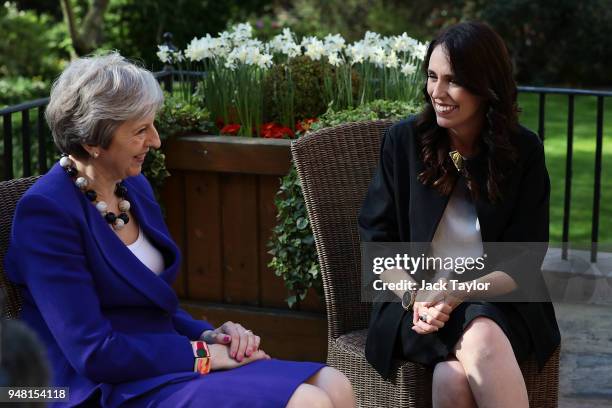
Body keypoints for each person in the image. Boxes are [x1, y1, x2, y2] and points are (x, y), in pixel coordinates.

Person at [5, 52, 355, 408]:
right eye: (141, 130)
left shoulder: (132, 187)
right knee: (308, 401)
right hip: (92, 385)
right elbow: (93, 351)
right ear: (93, 142)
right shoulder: (46, 214)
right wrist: (200, 354)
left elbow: (152, 306)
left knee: (335, 384)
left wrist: (209, 335)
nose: (156, 141)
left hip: (162, 360)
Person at [359, 21, 560, 408]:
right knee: (478, 338)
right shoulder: (403, 142)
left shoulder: (523, 151)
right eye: (432, 77)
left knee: (453, 374)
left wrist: (459, 291)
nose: (437, 92)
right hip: (415, 304)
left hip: (500, 298)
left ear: (486, 87)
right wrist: (416, 296)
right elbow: (377, 242)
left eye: (453, 80)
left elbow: (523, 262)